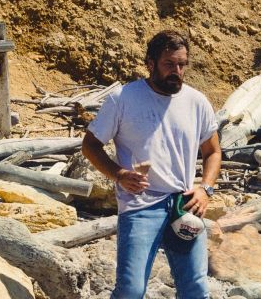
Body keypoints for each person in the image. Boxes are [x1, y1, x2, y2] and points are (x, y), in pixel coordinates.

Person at [81, 30, 222, 299]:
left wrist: (206, 189)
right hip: (140, 206)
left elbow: (213, 151)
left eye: (182, 64)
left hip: (184, 204)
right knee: (131, 291)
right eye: (169, 64)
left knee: (195, 289)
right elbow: (90, 145)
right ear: (150, 63)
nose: (177, 71)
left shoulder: (197, 102)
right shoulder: (123, 99)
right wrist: (119, 174)